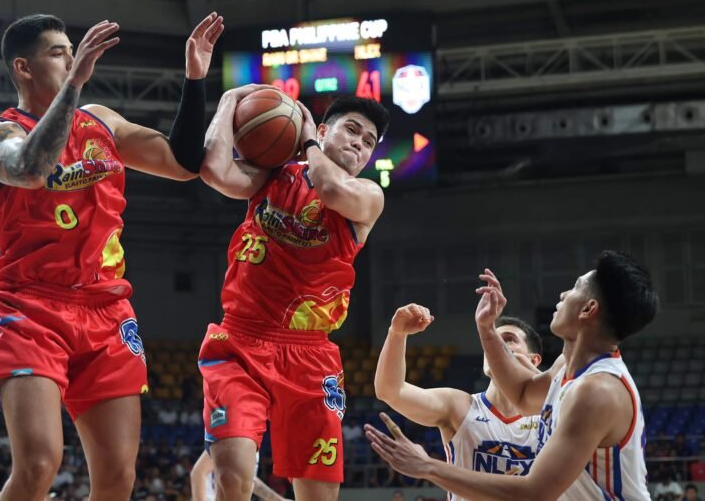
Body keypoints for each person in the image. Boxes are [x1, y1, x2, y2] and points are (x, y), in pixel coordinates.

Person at [0, 12, 224, 501]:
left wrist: (195, 79)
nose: (72, 58)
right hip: (30, 307)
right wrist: (76, 84)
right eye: (58, 52)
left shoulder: (103, 121)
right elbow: (31, 170)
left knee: (117, 479)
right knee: (40, 465)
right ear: (23, 67)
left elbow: (182, 164)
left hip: (106, 310)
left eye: (73, 49)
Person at [198, 92, 389, 500]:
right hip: (240, 341)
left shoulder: (368, 195)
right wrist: (230, 100)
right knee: (232, 474)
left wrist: (307, 144)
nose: (359, 143)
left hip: (309, 355)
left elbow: (331, 191)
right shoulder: (273, 175)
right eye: (351, 130)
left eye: (369, 141)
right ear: (323, 130)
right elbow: (214, 171)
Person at [365, 250, 658, 501]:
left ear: (588, 309)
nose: (563, 294)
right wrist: (486, 328)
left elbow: (533, 494)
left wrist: (427, 466)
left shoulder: (597, 392)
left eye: (575, 288)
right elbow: (522, 393)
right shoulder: (565, 370)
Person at [374, 304, 543, 487]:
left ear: (533, 360)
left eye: (508, 340)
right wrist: (397, 334)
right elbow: (390, 391)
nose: (497, 347)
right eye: (491, 342)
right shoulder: (459, 406)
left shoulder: (551, 415)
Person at [190, 451, 289, 501]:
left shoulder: (252, 438)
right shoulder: (235, 433)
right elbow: (198, 472)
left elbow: (247, 481)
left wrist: (278, 499)